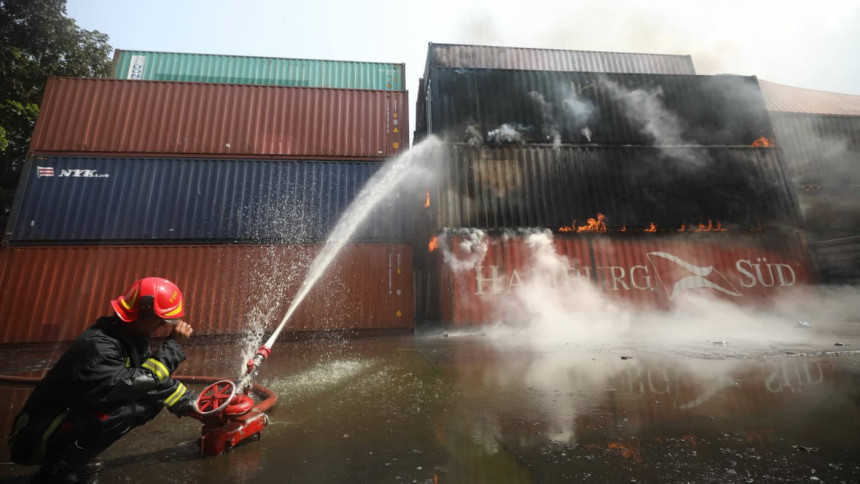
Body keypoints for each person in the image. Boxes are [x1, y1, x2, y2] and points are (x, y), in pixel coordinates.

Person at [8, 277, 198, 483]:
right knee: (130, 407)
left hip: (64, 423)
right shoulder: (99, 346)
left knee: (148, 400)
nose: (163, 325)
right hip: (37, 438)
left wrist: (192, 403)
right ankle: (61, 471)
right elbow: (134, 384)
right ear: (143, 314)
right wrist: (173, 347)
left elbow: (152, 379)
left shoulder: (129, 335)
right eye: (161, 319)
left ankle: (75, 458)